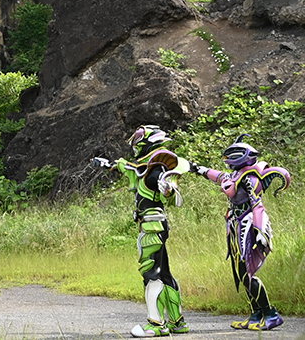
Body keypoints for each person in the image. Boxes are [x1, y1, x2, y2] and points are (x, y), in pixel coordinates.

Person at [91, 125, 189, 337]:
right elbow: (129, 167)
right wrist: (110, 164)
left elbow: (167, 190)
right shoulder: (146, 166)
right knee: (163, 272)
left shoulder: (156, 168)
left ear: (147, 142)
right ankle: (177, 321)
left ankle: (156, 324)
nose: (135, 147)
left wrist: (167, 188)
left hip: (152, 224)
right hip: (156, 224)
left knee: (151, 274)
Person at [191, 134, 290, 331]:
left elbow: (257, 205)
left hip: (246, 224)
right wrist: (198, 169)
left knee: (247, 272)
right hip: (235, 224)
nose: (227, 159)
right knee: (240, 271)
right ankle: (255, 315)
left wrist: (261, 230)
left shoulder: (250, 178)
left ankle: (271, 314)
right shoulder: (236, 175)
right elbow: (218, 176)